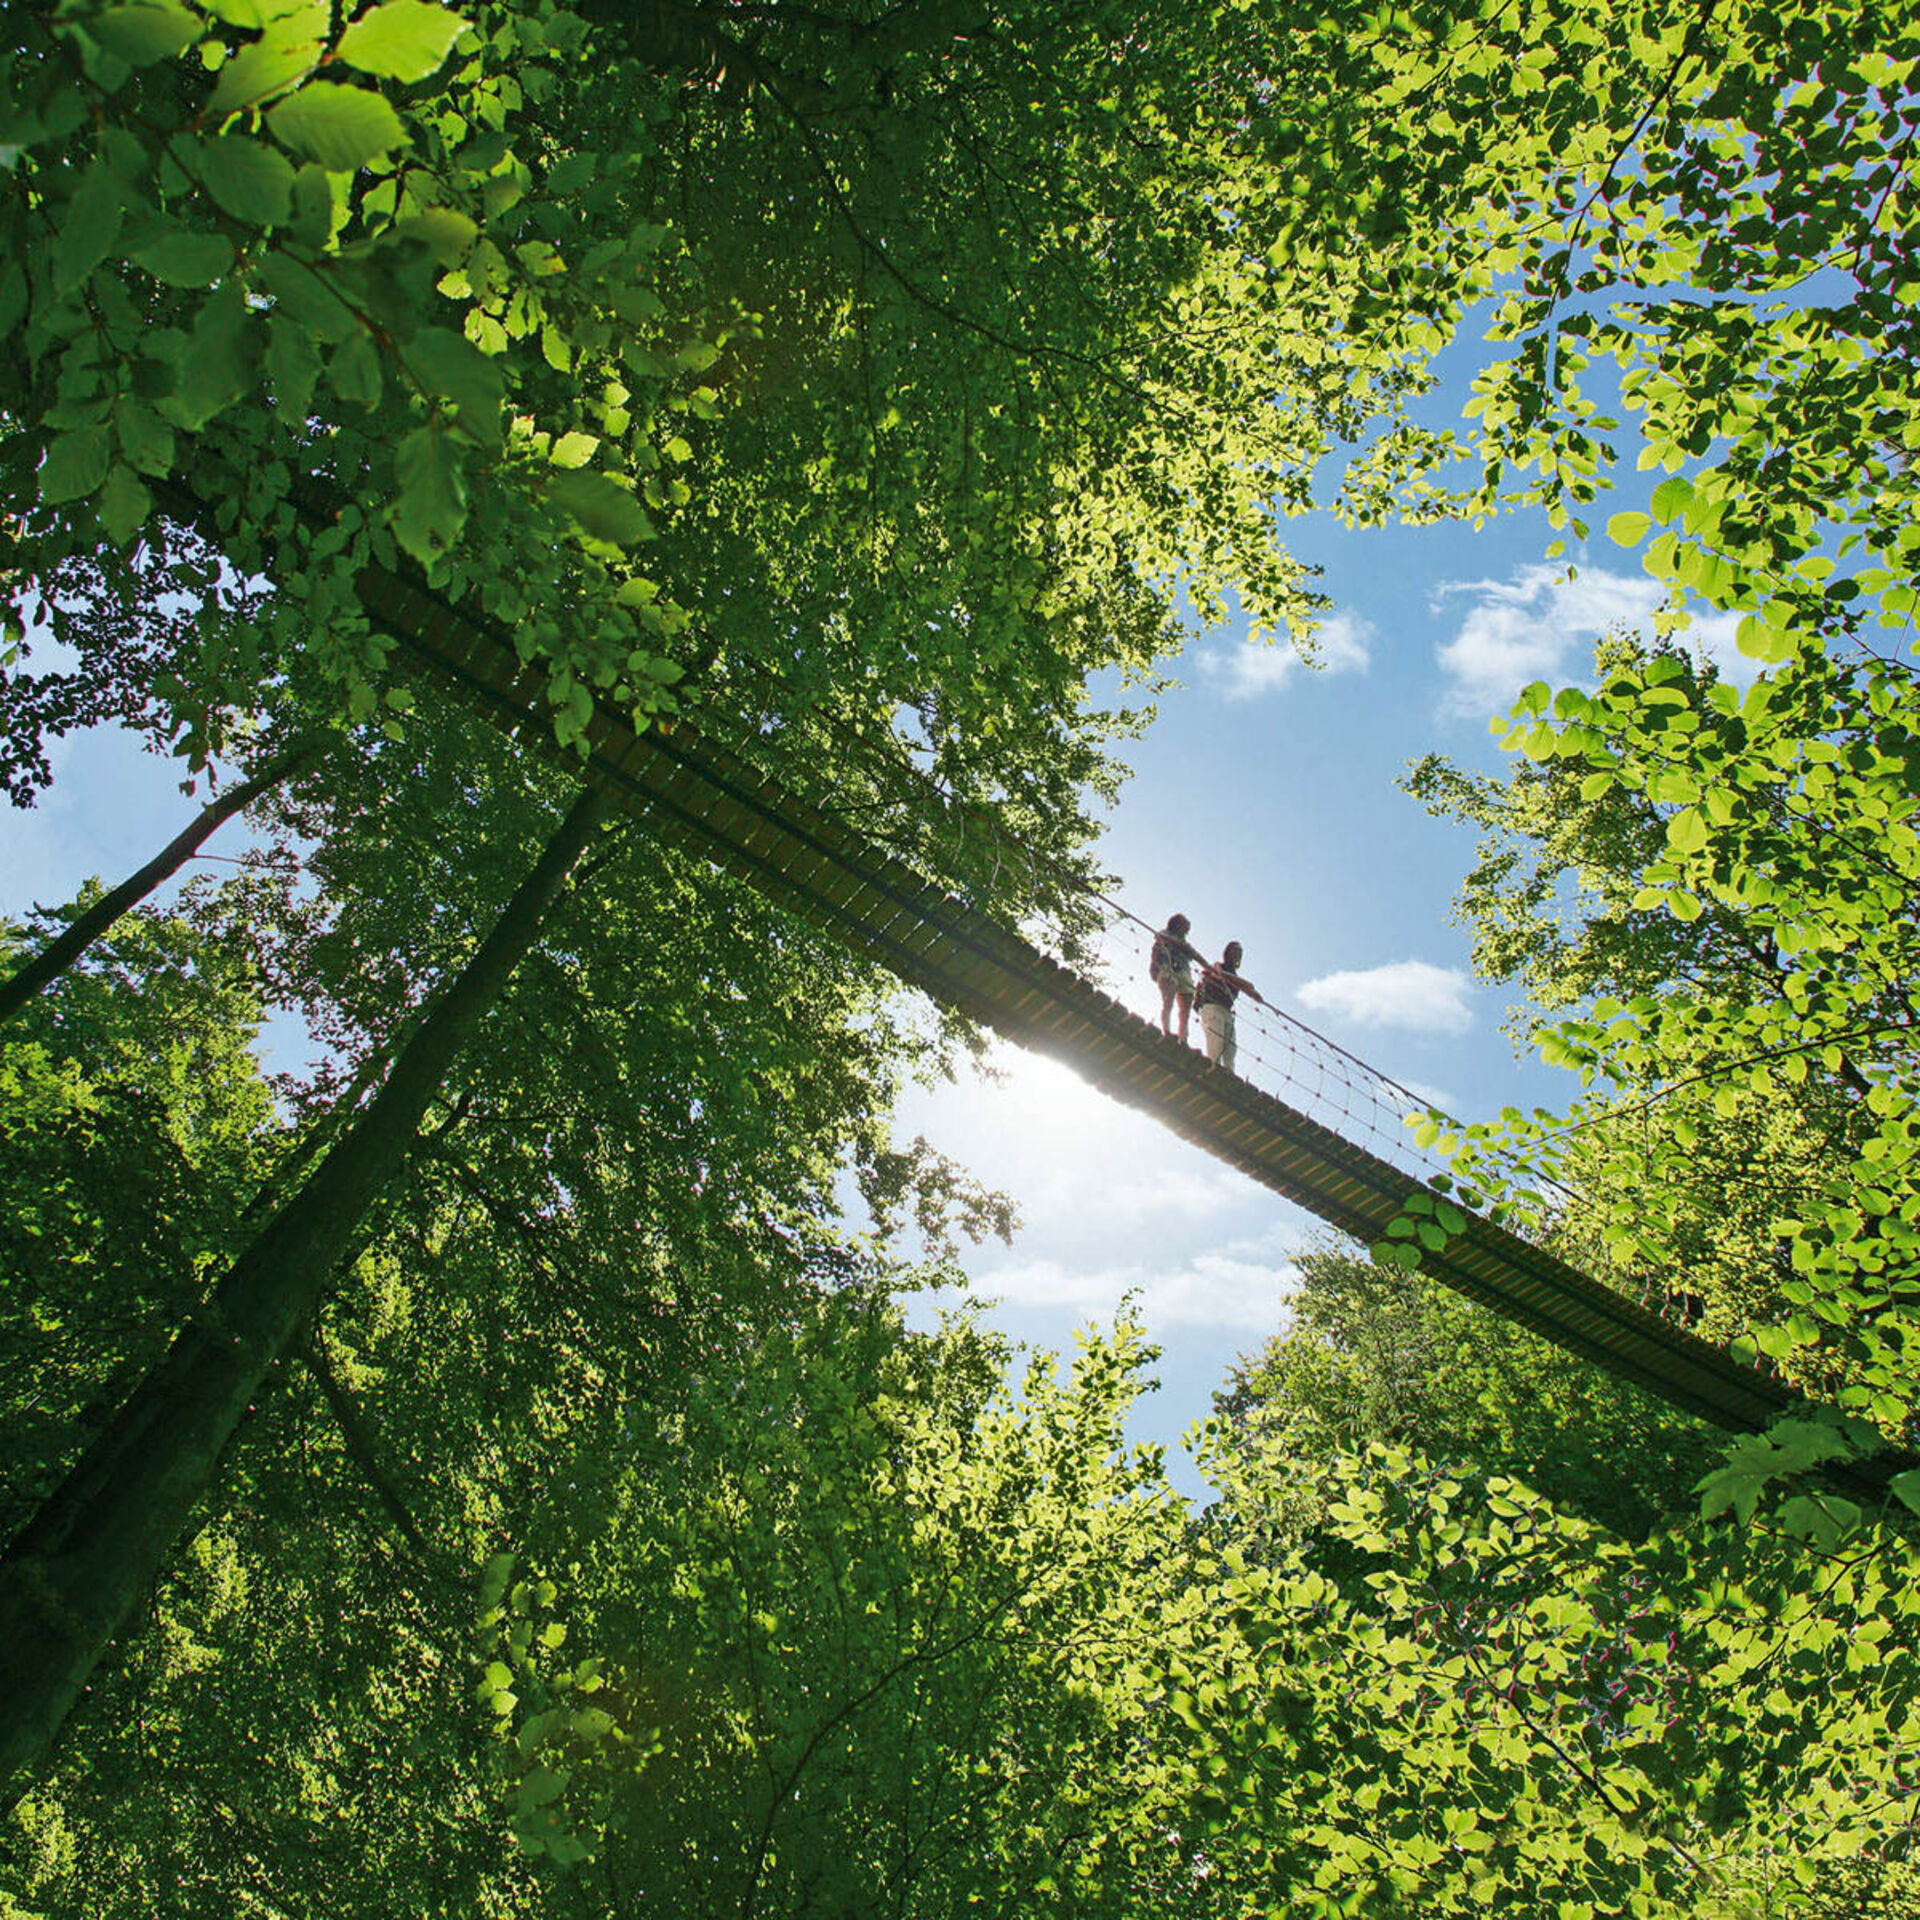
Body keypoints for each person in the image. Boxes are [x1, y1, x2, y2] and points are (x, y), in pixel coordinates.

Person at [1194, 940, 1265, 1073]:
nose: (1237, 955)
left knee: (1230, 1048)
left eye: (1239, 953)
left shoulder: (1235, 977)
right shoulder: (1217, 965)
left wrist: (1251, 991)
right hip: (1212, 1007)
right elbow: (1218, 974)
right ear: (1227, 953)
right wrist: (1247, 986)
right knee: (1216, 1042)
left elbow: (1250, 989)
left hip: (1227, 1012)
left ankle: (1229, 1074)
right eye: (1235, 951)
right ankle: (1214, 1069)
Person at [1148, 913, 1199, 1042]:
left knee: (1185, 1011)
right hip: (1168, 968)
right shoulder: (1165, 934)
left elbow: (1195, 956)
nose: (1186, 931)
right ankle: (1166, 1030)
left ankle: (1183, 1038)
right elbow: (1160, 937)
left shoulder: (1185, 943)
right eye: (1185, 926)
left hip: (1184, 972)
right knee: (1168, 1002)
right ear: (1177, 925)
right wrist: (1183, 947)